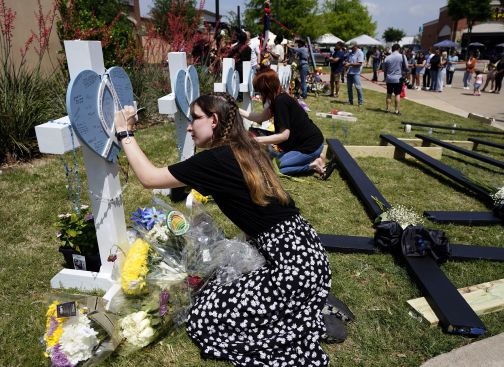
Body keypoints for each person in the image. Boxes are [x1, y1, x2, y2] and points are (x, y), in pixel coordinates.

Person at [114, 93, 332, 366]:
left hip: (290, 269)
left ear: (214, 120)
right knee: (213, 289)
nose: (190, 126)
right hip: (309, 256)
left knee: (205, 316)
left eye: (195, 118)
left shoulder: (216, 159)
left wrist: (124, 131)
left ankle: (296, 311)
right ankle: (301, 306)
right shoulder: (248, 147)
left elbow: (149, 178)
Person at [240, 69, 328, 177]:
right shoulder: (278, 98)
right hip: (303, 143)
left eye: (260, 91)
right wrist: (236, 110)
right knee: (254, 133)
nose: (259, 95)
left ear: (266, 89)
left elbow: (284, 136)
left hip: (309, 146)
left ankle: (313, 164)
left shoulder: (280, 102)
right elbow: (259, 118)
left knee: (273, 168)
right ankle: (312, 158)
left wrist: (257, 140)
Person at [383, 43, 409, 115]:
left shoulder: (387, 57)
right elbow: (406, 67)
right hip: (398, 78)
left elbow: (384, 69)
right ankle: (396, 110)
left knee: (389, 94)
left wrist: (385, 78)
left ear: (392, 49)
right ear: (398, 49)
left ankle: (387, 109)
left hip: (389, 78)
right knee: (397, 94)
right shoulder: (402, 56)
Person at [344, 40, 365, 106]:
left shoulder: (360, 53)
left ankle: (360, 102)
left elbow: (359, 63)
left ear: (356, 46)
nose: (351, 48)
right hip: (349, 72)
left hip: (356, 73)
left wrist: (349, 64)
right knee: (349, 88)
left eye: (352, 47)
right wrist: (345, 63)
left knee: (358, 87)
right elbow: (348, 61)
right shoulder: (350, 53)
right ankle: (350, 101)